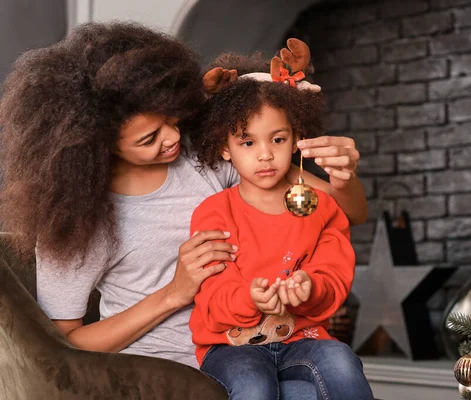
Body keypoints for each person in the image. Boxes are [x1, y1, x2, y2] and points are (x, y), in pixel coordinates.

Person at [0, 22, 367, 399]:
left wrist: (345, 176)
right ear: (96, 143)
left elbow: (343, 212)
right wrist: (175, 293)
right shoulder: (77, 220)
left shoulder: (201, 161)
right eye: (149, 138)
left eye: (172, 120)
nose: (173, 138)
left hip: (256, 352)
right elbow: (63, 350)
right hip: (161, 379)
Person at [187, 40, 374, 400]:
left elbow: (333, 274)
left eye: (277, 138)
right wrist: (249, 297)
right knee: (254, 387)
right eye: (247, 143)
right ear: (225, 147)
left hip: (303, 338)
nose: (265, 155)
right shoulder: (213, 212)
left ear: (296, 139)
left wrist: (312, 288)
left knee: (341, 361)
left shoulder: (320, 205)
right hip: (230, 347)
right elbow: (211, 295)